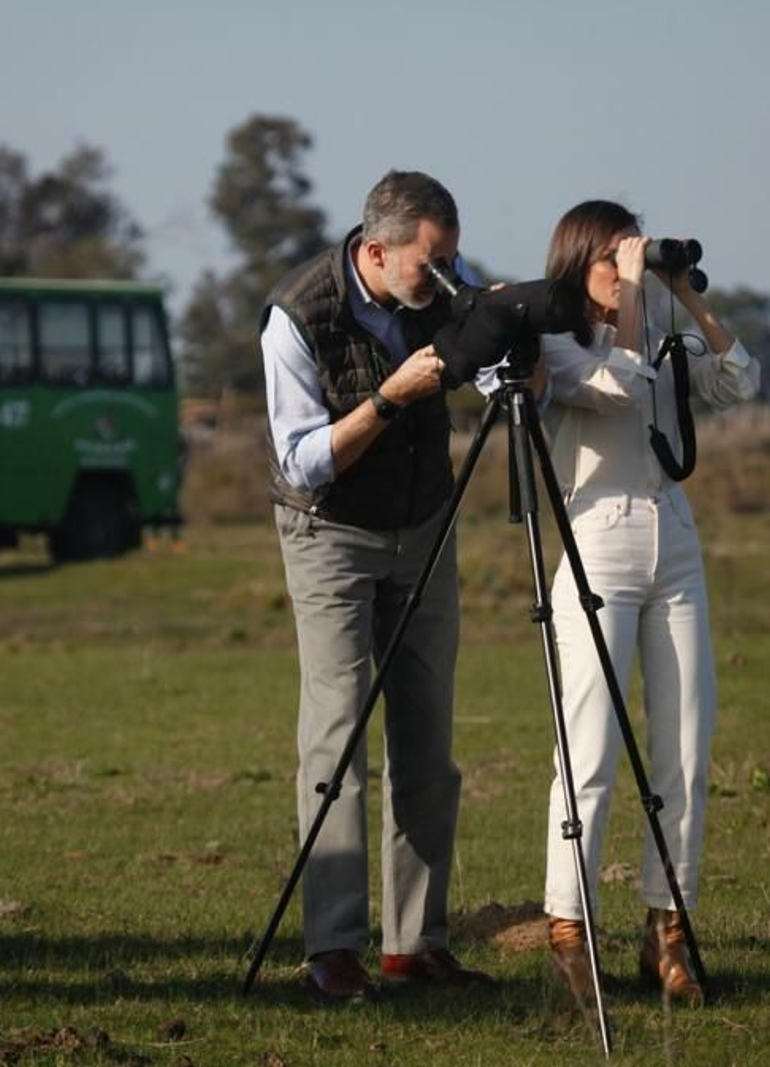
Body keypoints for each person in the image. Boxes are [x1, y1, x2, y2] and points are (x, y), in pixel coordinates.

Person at [261, 170, 491, 1000]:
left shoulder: (438, 289)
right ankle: (333, 947)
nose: (443, 280)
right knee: (338, 733)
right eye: (430, 266)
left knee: (428, 740)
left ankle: (416, 944)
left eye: (451, 263)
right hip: (332, 531)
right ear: (376, 250)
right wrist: (390, 399)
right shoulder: (296, 315)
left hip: (424, 524)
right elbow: (302, 459)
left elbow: (491, 329)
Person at [536, 200, 759, 1005]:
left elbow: (739, 378)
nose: (626, 264)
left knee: (688, 749)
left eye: (631, 252)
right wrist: (633, 297)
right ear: (580, 259)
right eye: (613, 254)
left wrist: (685, 293)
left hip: (676, 544)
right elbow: (621, 387)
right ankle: (569, 931)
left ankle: (668, 926)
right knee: (590, 749)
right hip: (597, 546)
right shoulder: (555, 343)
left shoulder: (659, 329)